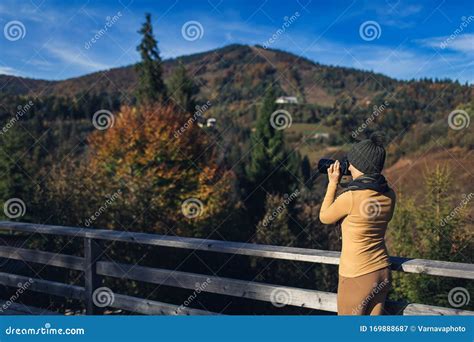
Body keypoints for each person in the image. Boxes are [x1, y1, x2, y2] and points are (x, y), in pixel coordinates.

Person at [319, 133, 396, 315]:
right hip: (382, 272)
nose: (348, 165)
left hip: (356, 275)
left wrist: (333, 184)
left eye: (351, 162)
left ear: (358, 165)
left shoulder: (351, 198)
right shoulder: (390, 194)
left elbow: (324, 217)